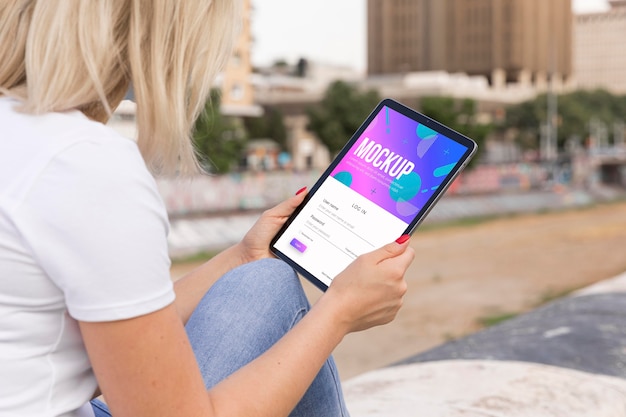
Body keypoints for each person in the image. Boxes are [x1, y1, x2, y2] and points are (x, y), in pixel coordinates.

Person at [0, 1, 415, 416]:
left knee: (263, 277)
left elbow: (98, 339)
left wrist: (242, 256)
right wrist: (338, 312)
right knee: (277, 295)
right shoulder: (85, 165)